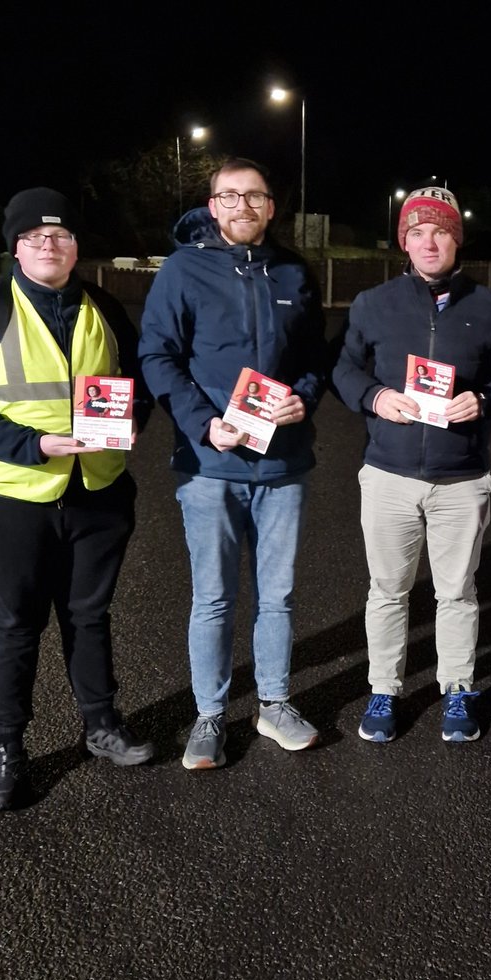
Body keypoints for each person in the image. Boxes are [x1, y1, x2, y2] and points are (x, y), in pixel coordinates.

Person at [139, 159, 327, 771]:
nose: (242, 206)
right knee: (213, 597)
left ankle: (273, 703)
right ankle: (210, 716)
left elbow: (315, 358)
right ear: (212, 205)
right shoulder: (183, 269)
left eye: (254, 196)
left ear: (271, 207)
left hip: (281, 465)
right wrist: (203, 423)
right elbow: (158, 356)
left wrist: (303, 394)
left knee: (278, 596)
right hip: (210, 464)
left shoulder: (296, 271)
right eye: (229, 196)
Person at [331, 185, 491, 743]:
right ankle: (384, 689)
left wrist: (486, 400)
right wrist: (374, 397)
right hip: (389, 473)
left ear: (456, 239)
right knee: (387, 591)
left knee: (457, 592)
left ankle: (458, 688)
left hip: (461, 478)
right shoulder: (374, 303)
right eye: (417, 232)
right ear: (404, 243)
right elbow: (344, 368)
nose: (429, 241)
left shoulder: (489, 308)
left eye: (440, 230)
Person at [0, 188, 154, 812]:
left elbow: (138, 387)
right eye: (35, 237)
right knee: (13, 622)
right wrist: (37, 445)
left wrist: (136, 419)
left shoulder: (105, 305)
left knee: (89, 615)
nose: (49, 244)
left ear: (76, 246)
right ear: (16, 247)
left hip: (98, 491)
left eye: (60, 236)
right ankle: (7, 750)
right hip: (14, 494)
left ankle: (101, 725)